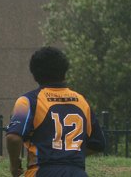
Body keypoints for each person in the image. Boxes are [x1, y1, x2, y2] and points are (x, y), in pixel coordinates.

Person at [6, 46, 105, 177]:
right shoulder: (81, 101)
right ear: (64, 70)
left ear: (35, 74)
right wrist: (68, 154)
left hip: (42, 171)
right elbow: (98, 143)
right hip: (78, 172)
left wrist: (14, 165)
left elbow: (13, 137)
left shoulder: (28, 101)